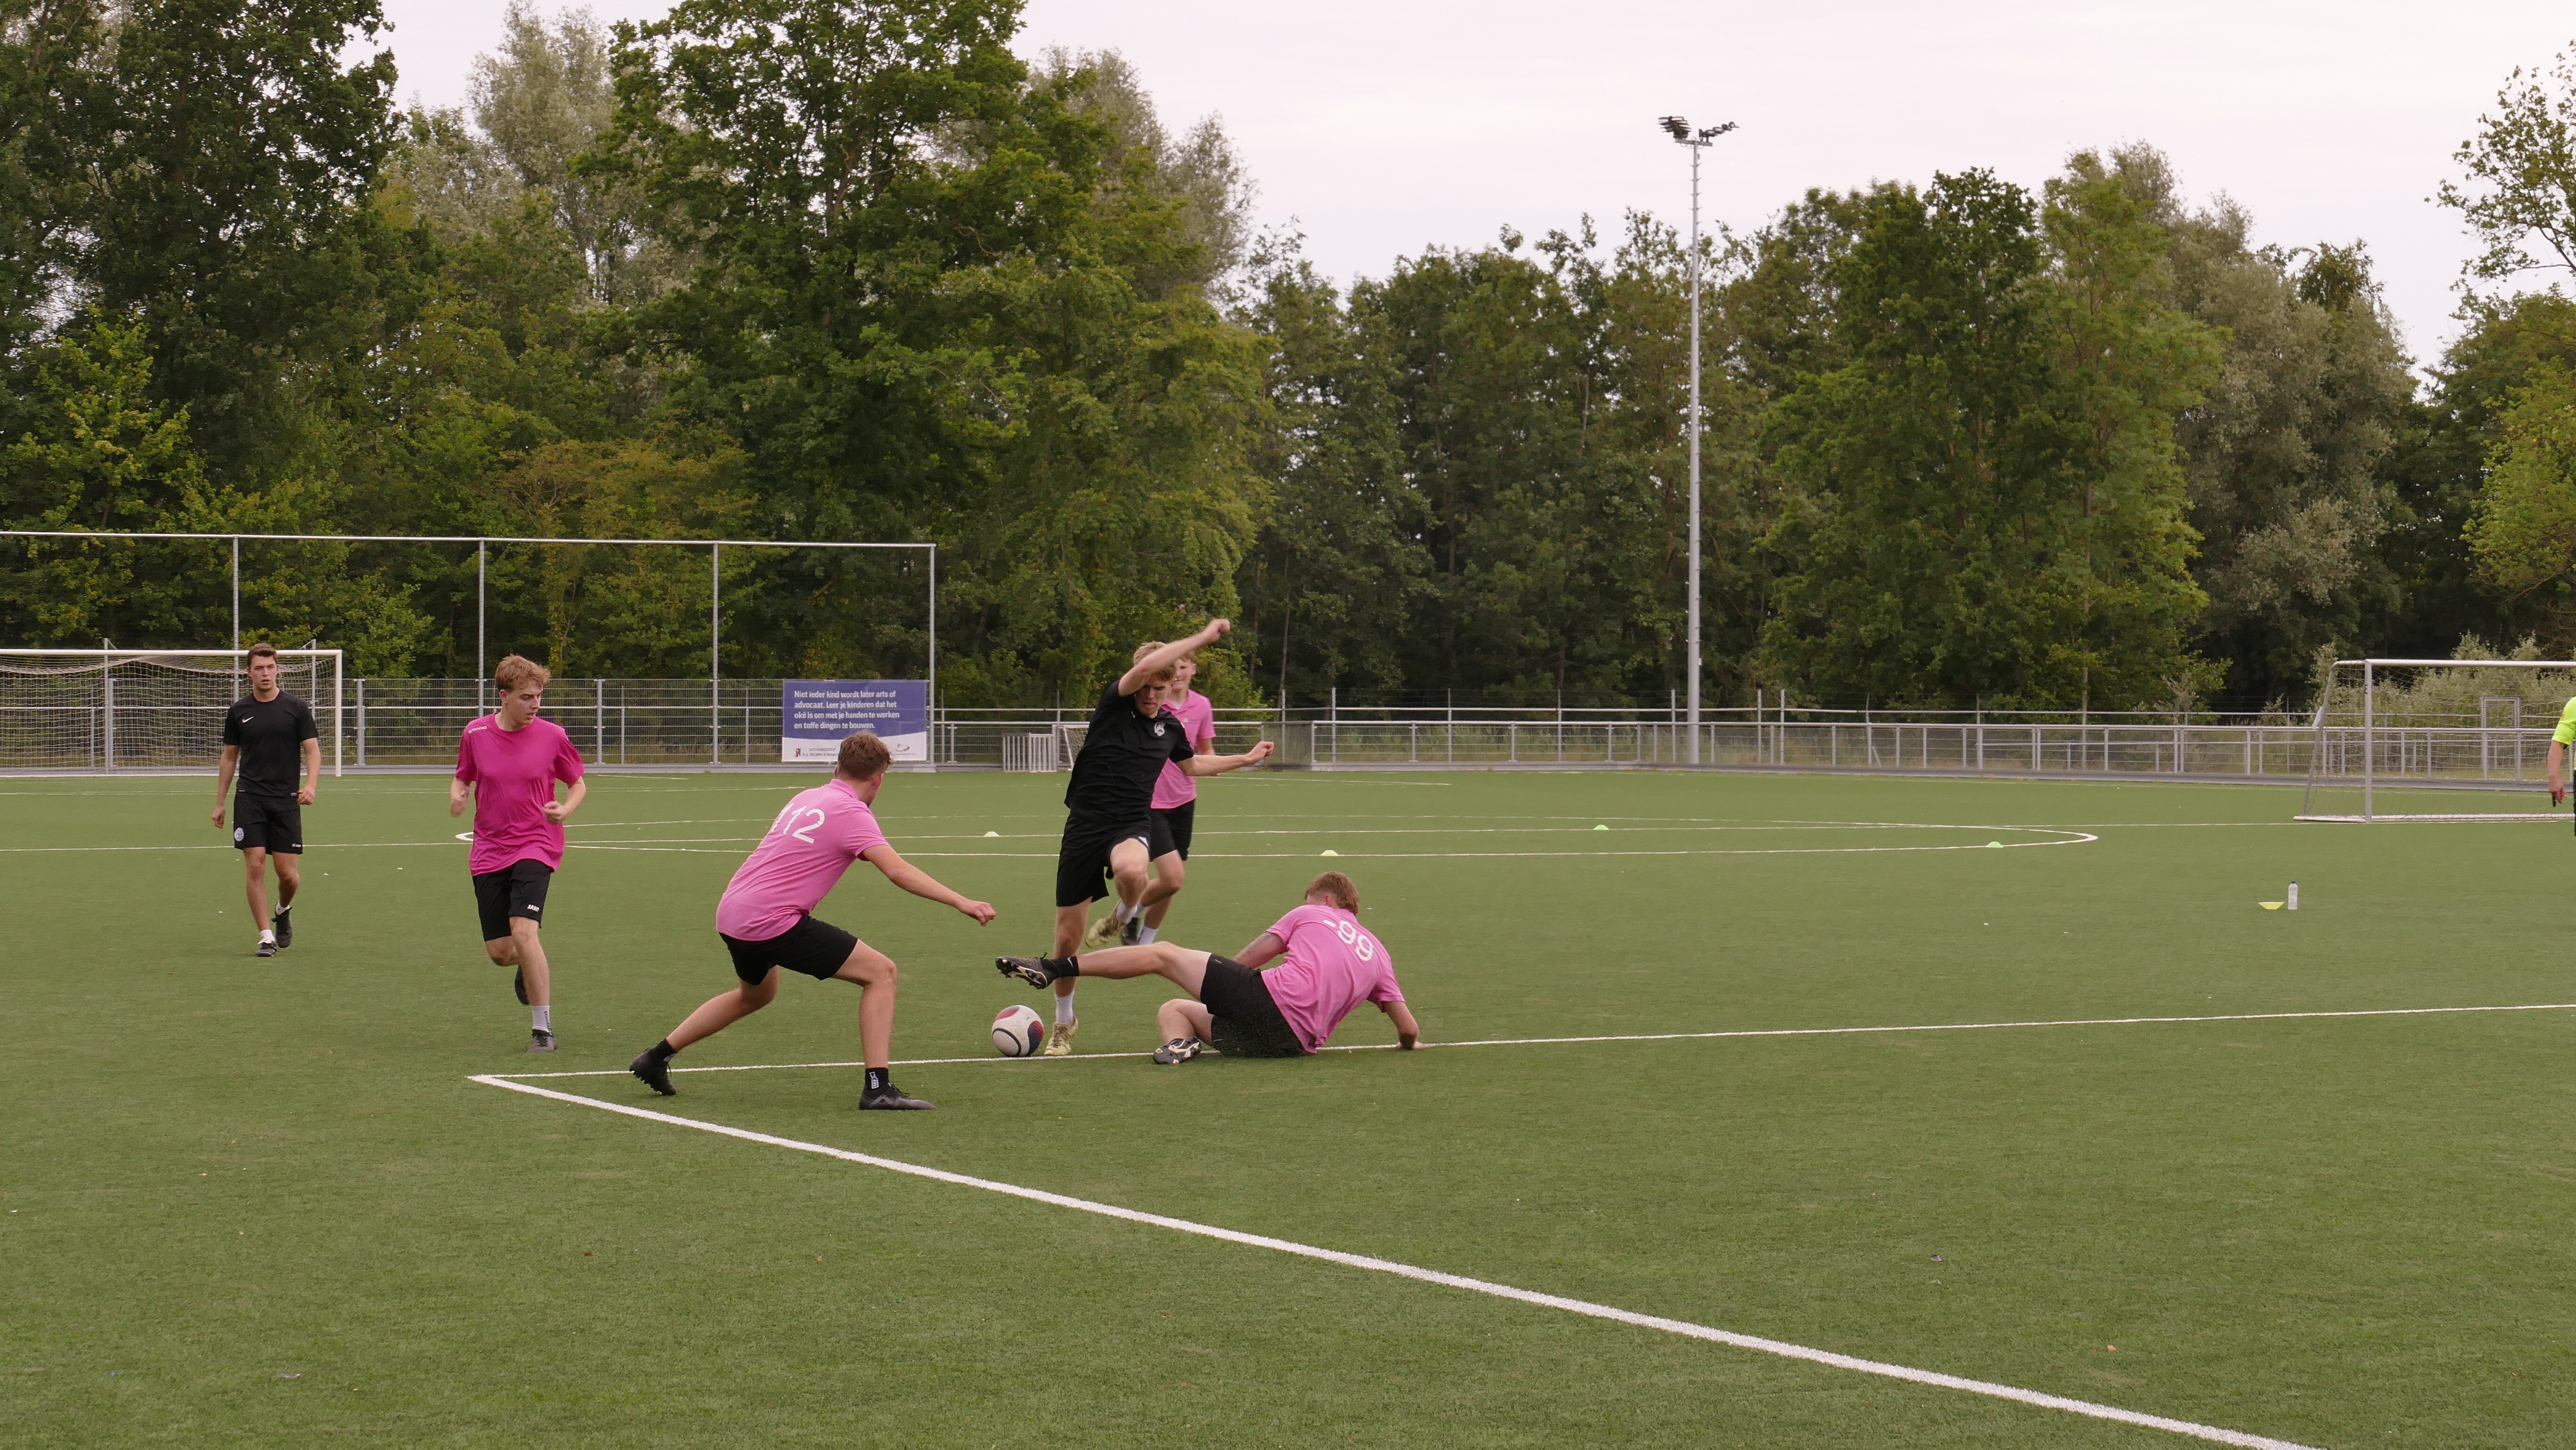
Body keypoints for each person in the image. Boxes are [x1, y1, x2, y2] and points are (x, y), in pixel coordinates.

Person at [628, 732, 996, 1111]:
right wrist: (961, 901)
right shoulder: (853, 813)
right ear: (878, 779)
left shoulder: (807, 797)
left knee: (756, 995)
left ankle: (655, 1058)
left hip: (733, 912)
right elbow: (898, 871)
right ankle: (878, 1088)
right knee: (881, 973)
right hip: (771, 921)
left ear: (837, 770)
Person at [1041, 620, 1275, 1055]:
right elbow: (1147, 667)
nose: (1151, 694)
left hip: (1131, 823)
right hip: (1085, 826)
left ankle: (1125, 912)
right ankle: (1064, 1019)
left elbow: (1193, 766)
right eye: (1146, 686)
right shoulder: (1115, 704)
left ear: (1171, 686)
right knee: (1067, 940)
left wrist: (1244, 759)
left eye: (1160, 688)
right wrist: (1202, 637)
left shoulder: (1169, 727)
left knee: (1133, 870)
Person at [998, 871, 1418, 1065]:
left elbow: (1251, 960)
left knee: (1164, 955)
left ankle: (1052, 967)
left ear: (1327, 900)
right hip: (1288, 1044)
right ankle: (1178, 1045)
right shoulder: (1380, 956)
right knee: (1173, 1010)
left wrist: (1222, 985)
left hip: (1267, 1003)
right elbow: (1408, 1029)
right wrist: (1408, 1046)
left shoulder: (1311, 913)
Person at [450, 655, 586, 1053]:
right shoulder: (475, 733)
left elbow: (578, 784)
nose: (535, 704)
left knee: (525, 932)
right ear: (504, 696)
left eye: (539, 696)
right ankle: (530, 962)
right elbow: (462, 776)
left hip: (536, 843)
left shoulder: (553, 736)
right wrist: (458, 794)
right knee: (500, 952)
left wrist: (566, 810)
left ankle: (543, 1031)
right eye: (527, 697)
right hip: (489, 848)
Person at [212, 642, 320, 958]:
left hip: (286, 800)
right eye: (259, 668)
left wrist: (311, 785)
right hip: (250, 798)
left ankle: (283, 908)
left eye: (270, 667)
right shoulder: (239, 711)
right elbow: (229, 758)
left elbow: (312, 751)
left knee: (288, 875)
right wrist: (219, 802)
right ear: (249, 672)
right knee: (256, 865)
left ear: (277, 670)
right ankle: (265, 937)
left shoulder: (296, 708)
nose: (265, 673)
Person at [1127, 645, 1219, 947]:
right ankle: (1130, 910)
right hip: (1151, 803)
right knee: (1171, 877)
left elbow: (1205, 750)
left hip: (1185, 801)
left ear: (1193, 670)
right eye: (1172, 667)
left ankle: (1145, 942)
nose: (1177, 673)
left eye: (1183, 667)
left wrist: (1215, 765)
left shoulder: (1202, 706)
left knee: (1172, 885)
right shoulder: (1152, 701)